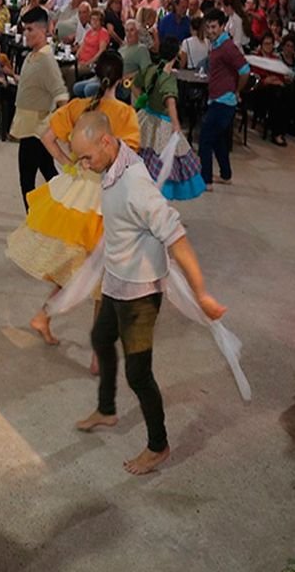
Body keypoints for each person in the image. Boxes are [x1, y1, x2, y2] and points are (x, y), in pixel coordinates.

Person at [68, 111, 225, 474]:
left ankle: (159, 446)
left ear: (106, 142)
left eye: (87, 157)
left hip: (139, 292)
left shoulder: (136, 184)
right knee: (101, 336)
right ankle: (107, 410)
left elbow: (178, 238)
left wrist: (201, 293)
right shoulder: (113, 162)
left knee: (139, 373)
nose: (84, 166)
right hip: (116, 279)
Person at [8, 50, 141, 348]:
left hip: (76, 190)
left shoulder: (79, 106)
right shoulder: (124, 114)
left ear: (95, 74)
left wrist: (68, 161)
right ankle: (97, 349)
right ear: (120, 79)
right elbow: (129, 157)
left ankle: (45, 316)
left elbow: (46, 138)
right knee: (101, 274)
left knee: (77, 262)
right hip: (104, 197)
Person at [131, 38, 206, 199]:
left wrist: (143, 102)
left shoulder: (150, 69)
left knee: (144, 159)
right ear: (176, 55)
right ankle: (156, 204)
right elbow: (170, 102)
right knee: (164, 165)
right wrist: (176, 125)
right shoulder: (167, 77)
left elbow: (135, 85)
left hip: (145, 118)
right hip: (162, 124)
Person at [11, 7, 68, 209]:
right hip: (31, 125)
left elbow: (61, 94)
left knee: (27, 180)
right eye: (24, 29)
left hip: (36, 129)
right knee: (49, 173)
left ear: (43, 31)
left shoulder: (45, 59)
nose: (26, 34)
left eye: (30, 30)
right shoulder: (33, 55)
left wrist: (64, 128)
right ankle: (59, 212)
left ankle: (34, 221)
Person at [199, 9, 249, 191]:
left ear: (222, 26)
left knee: (205, 140)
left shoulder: (227, 46)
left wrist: (237, 91)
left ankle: (206, 181)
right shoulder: (216, 44)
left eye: (213, 27)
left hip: (224, 101)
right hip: (218, 99)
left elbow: (245, 70)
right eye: (208, 27)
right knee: (219, 140)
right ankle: (226, 175)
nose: (210, 30)